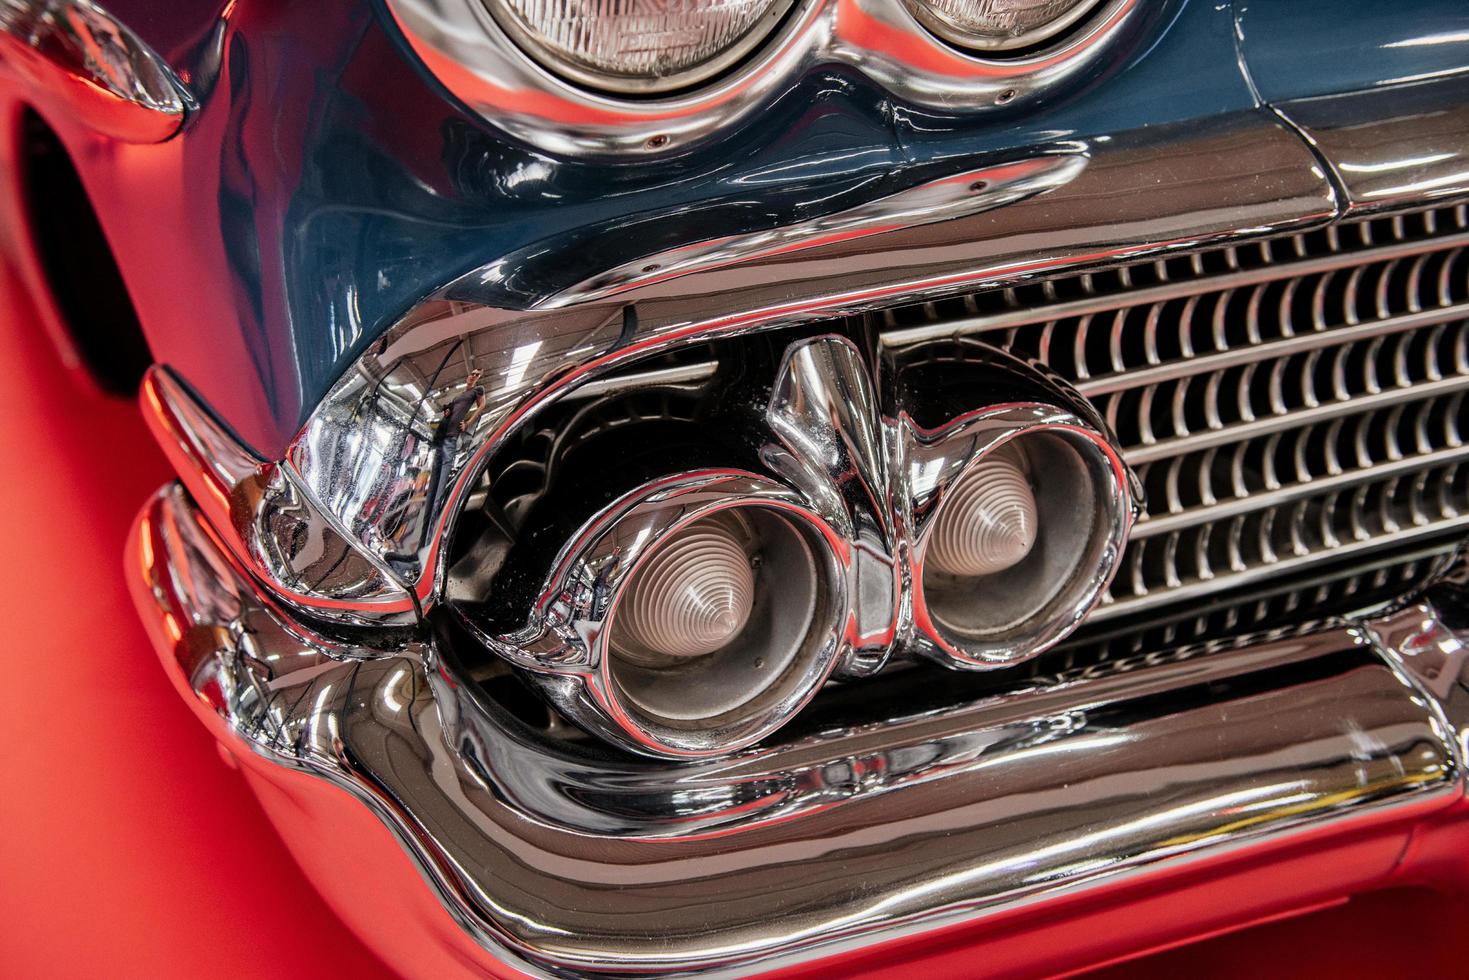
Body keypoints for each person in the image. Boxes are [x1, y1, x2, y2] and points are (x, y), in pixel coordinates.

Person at [386, 369, 486, 564]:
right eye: (471, 374)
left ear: (479, 377)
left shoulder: (477, 391)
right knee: (431, 497)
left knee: (438, 497)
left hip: (450, 441)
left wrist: (469, 423)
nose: (472, 376)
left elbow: (483, 405)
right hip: (441, 441)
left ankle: (426, 556)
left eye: (476, 374)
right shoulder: (461, 394)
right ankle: (419, 552)